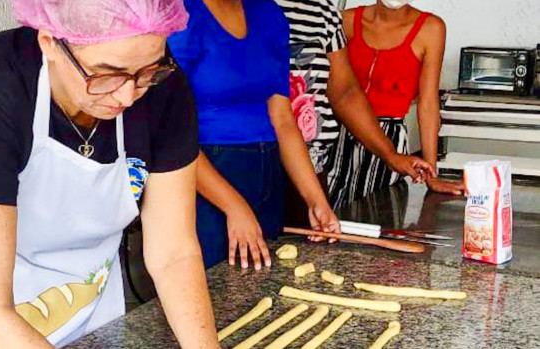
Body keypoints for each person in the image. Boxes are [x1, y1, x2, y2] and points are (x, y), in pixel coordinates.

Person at [0, 1, 220, 348]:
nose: (127, 96)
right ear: (50, 42)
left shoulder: (164, 89)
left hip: (90, 317)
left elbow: (174, 251)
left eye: (147, 72)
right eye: (107, 74)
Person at [168, 0, 341, 270]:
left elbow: (283, 119)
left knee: (262, 289)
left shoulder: (268, 13)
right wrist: (233, 206)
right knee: (215, 290)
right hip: (205, 177)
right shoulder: (181, 13)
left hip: (268, 175)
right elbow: (171, 132)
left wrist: (316, 201)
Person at [274, 0, 435, 227]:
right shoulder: (249, 8)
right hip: (256, 165)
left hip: (311, 169)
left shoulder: (324, 13)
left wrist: (391, 154)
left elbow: (345, 93)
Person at [331, 0, 463, 208]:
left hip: (390, 141)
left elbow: (428, 104)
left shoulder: (430, 28)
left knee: (376, 217)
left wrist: (431, 174)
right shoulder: (345, 20)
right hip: (337, 135)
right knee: (325, 219)